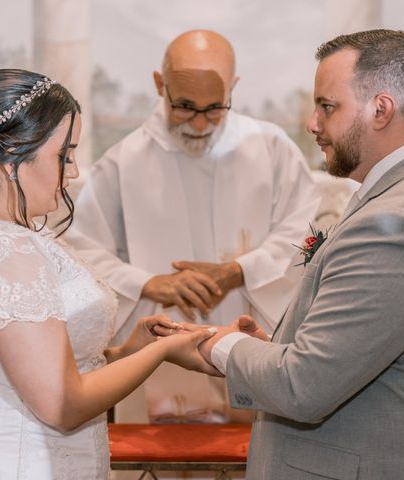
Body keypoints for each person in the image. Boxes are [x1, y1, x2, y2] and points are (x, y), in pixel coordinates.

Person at [193, 30, 404, 479]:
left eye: (327, 106)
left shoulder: (403, 222)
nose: (313, 123)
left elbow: (304, 385)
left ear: (381, 109)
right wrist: (270, 352)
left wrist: (219, 346)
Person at [0, 68, 225, 480]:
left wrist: (127, 351)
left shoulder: (11, 237)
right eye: (64, 154)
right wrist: (159, 353)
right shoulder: (0, 251)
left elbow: (36, 363)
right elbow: (61, 406)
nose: (72, 172)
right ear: (13, 154)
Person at [67, 30, 320, 424]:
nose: (200, 123)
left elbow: (306, 234)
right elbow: (80, 251)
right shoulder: (123, 162)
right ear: (159, 85)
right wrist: (148, 283)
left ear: (233, 88)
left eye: (214, 107)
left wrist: (240, 272)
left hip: (249, 345)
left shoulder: (272, 149)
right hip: (158, 351)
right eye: (185, 106)